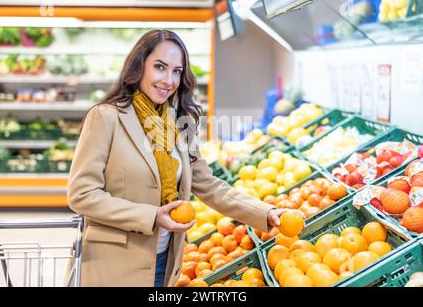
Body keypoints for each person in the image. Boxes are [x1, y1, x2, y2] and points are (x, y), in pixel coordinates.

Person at [67, 29, 292, 287]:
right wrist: (151, 215)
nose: (168, 80)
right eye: (160, 67)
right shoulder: (106, 117)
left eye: (176, 71)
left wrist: (267, 212)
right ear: (139, 67)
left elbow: (208, 185)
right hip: (113, 263)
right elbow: (82, 193)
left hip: (166, 258)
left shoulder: (180, 122)